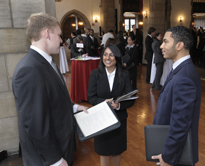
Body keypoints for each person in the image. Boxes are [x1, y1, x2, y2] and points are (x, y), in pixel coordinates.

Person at [12, 13, 88, 166]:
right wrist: (56, 160)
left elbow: (50, 100)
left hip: (61, 147)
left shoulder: (45, 62)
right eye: (59, 35)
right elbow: (35, 124)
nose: (61, 40)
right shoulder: (29, 69)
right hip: (49, 158)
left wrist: (74, 107)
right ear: (47, 33)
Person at [151, 26, 201, 166]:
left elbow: (180, 124)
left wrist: (168, 157)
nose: (161, 45)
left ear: (179, 45)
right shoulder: (179, 69)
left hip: (176, 154)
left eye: (166, 41)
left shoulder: (184, 77)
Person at [87, 44, 135, 166]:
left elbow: (131, 99)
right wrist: (104, 103)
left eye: (111, 55)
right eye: (105, 54)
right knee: (104, 150)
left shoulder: (124, 74)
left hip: (119, 118)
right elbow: (91, 98)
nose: (107, 58)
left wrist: (118, 106)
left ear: (117, 57)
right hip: (101, 118)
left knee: (117, 149)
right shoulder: (95, 74)